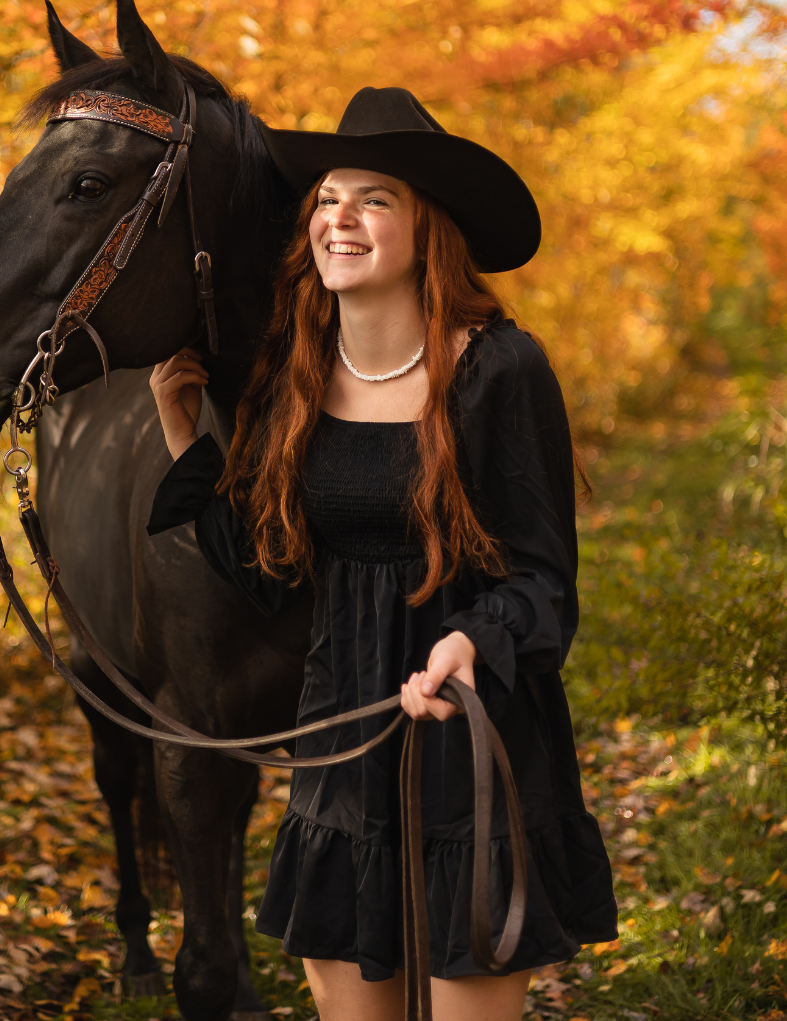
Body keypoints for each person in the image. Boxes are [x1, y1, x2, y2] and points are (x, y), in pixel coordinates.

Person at [146, 87, 617, 1021]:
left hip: (471, 748)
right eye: (326, 198)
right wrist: (183, 441)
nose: (339, 218)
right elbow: (267, 572)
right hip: (341, 748)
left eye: (374, 199)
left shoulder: (499, 369)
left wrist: (468, 647)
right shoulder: (299, 375)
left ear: (426, 229)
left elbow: (543, 582)